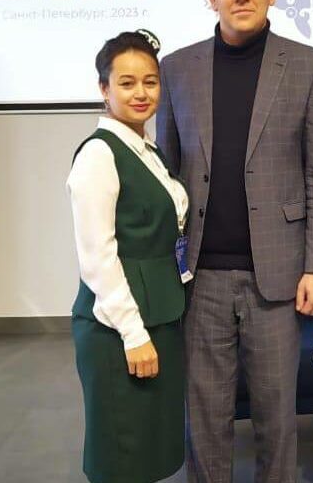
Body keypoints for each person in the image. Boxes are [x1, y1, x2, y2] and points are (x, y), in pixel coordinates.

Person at [156, 0, 313, 483]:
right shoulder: (176, 69)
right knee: (205, 420)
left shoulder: (309, 66)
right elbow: (167, 177)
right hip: (200, 278)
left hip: (277, 277)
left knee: (277, 420)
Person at [67, 30, 188, 483]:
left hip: (158, 315)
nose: (141, 93)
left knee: (147, 450)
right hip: (119, 328)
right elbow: (97, 256)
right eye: (127, 82)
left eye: (150, 82)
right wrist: (133, 335)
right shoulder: (99, 154)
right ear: (104, 89)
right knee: (122, 450)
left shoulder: (147, 149)